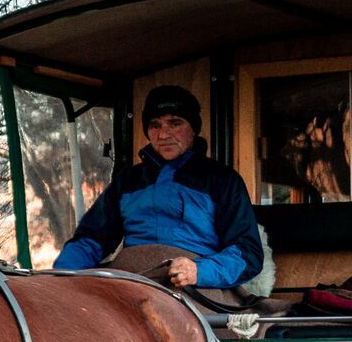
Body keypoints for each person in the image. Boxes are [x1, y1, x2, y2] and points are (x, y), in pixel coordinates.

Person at [53, 86, 266, 296]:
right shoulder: (127, 181)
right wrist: (60, 273)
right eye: (155, 125)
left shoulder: (222, 180)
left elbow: (248, 253)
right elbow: (92, 239)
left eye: (175, 123)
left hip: (194, 285)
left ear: (194, 128)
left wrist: (198, 270)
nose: (163, 134)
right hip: (130, 279)